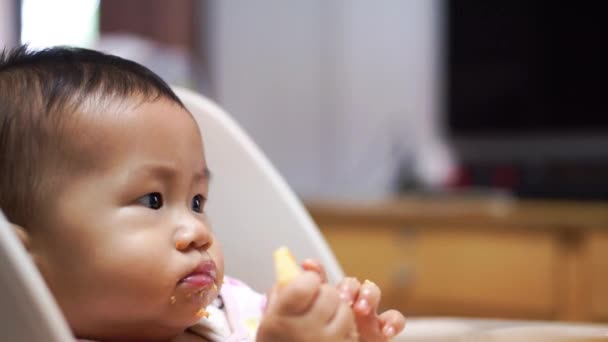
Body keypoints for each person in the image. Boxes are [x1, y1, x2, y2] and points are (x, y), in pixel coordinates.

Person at [0, 45, 406, 342]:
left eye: (197, 202)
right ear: (23, 261)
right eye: (152, 200)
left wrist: (348, 331)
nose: (197, 231)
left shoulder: (238, 312)